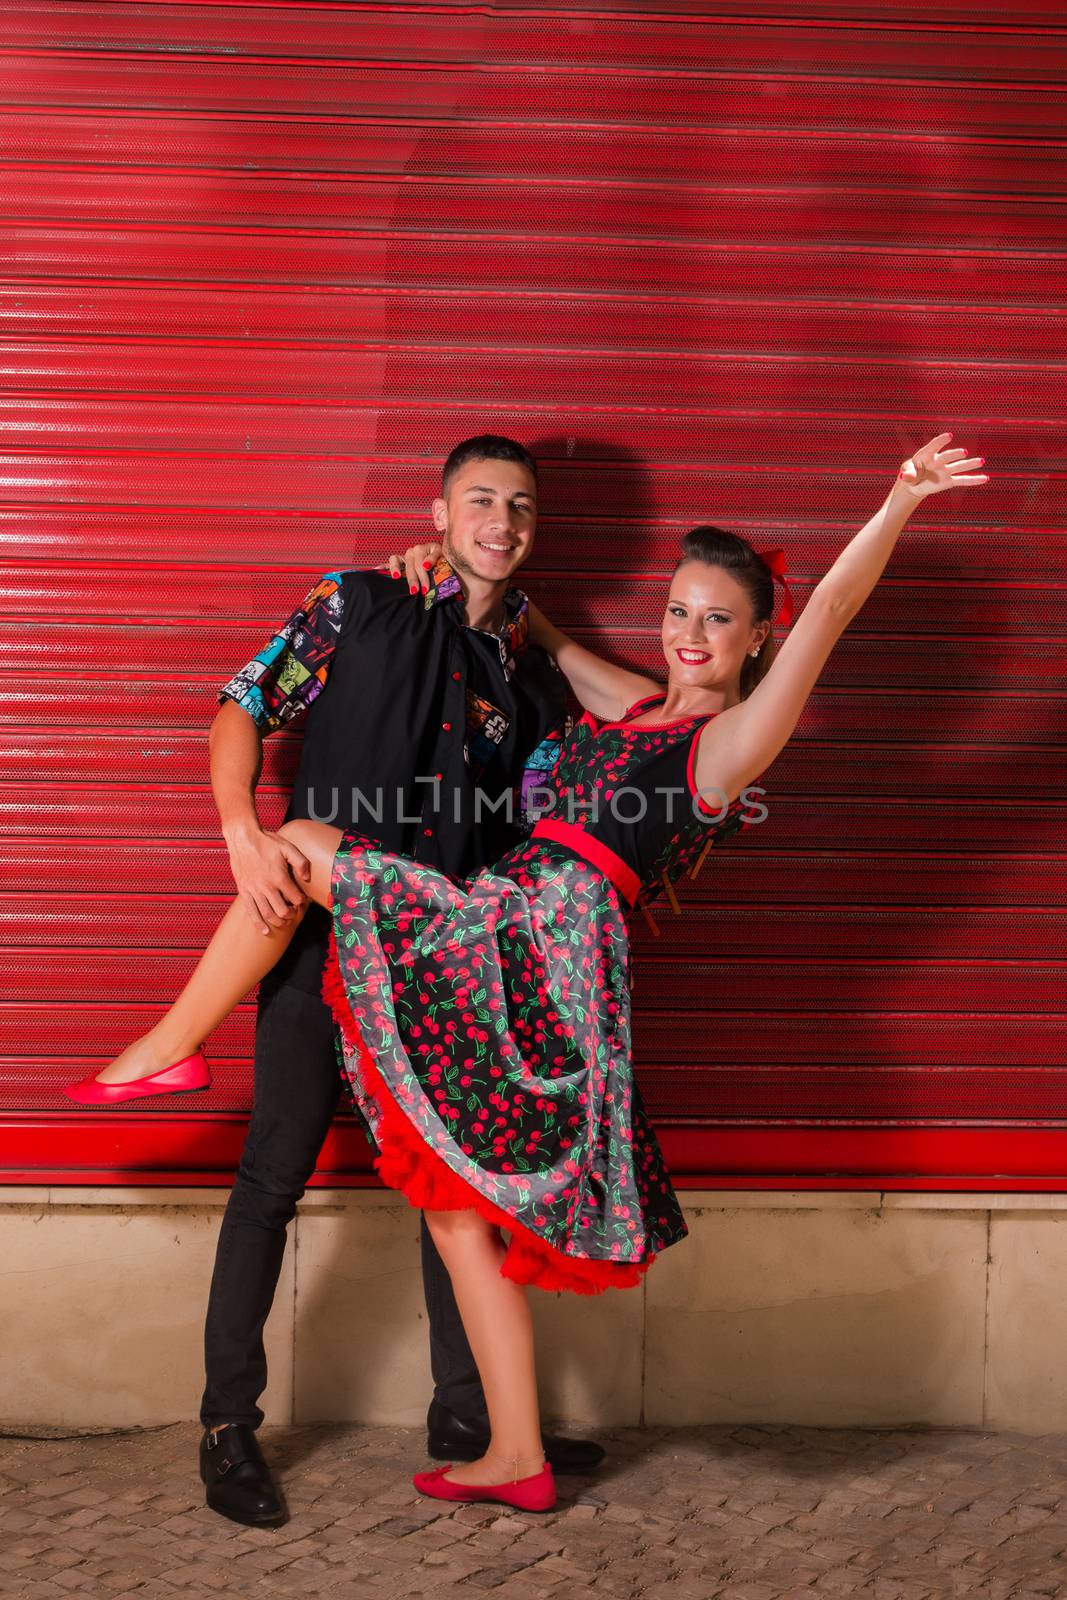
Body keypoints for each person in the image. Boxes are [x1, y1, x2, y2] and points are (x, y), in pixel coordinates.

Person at [72, 430, 987, 1517]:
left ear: (756, 638)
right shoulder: (618, 702)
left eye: (719, 619)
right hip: (471, 927)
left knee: (309, 841)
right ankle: (491, 1446)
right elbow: (530, 649)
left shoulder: (725, 739)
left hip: (517, 942)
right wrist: (487, 592)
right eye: (678, 611)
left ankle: (168, 1047)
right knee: (443, 1202)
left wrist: (896, 498)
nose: (691, 634)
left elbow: (825, 617)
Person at [63, 434, 605, 1527]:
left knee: (457, 1197)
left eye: (521, 508)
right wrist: (244, 834)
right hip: (314, 947)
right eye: (481, 501)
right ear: (442, 514)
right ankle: (227, 1425)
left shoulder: (535, 681)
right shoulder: (357, 603)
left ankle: (472, 1418)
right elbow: (240, 704)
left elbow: (585, 781)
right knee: (270, 1178)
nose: (500, 522)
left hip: (445, 972)